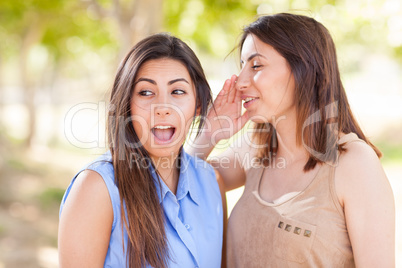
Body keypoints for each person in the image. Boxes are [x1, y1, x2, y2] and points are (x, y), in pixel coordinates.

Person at [190, 13, 395, 267]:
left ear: (304, 70)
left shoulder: (355, 165)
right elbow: (183, 181)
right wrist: (209, 136)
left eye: (256, 65)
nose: (240, 81)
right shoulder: (255, 149)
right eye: (241, 65)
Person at [58, 33, 227, 268]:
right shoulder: (97, 189)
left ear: (197, 104)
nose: (163, 108)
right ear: (126, 105)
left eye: (178, 91)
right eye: (146, 92)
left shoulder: (211, 182)